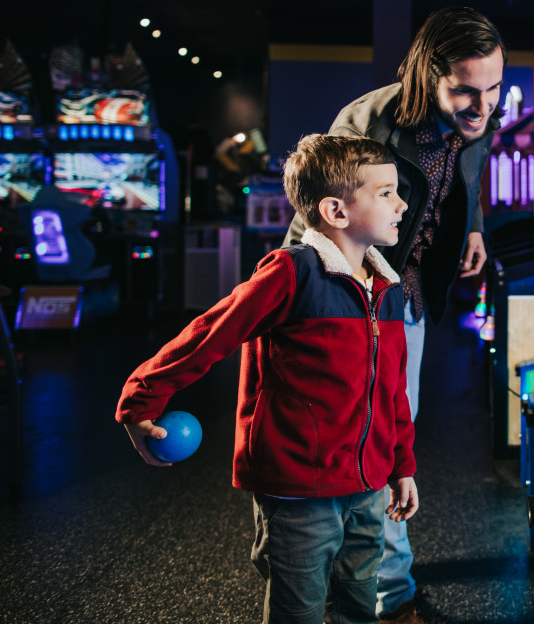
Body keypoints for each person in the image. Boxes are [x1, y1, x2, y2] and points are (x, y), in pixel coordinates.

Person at [117, 134, 418, 624]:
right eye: (385, 192)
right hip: (299, 488)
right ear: (336, 211)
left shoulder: (387, 288)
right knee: (296, 610)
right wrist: (141, 399)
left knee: (358, 603)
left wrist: (401, 464)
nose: (402, 204)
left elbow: (392, 391)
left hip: (367, 487)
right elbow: (209, 334)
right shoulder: (290, 272)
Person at [283, 6, 503, 622]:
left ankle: (375, 577)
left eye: (493, 88)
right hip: (355, 298)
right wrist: (293, 292)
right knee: (363, 440)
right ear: (427, 77)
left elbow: (469, 172)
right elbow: (314, 211)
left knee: (388, 432)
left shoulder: (477, 113)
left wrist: (475, 228)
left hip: (410, 294)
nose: (483, 106)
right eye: (465, 90)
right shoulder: (367, 122)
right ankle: (387, 591)